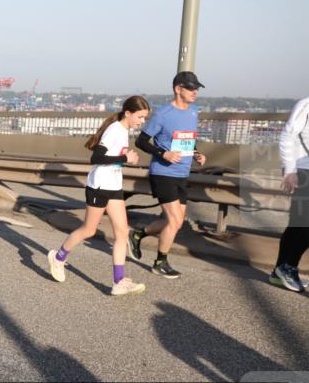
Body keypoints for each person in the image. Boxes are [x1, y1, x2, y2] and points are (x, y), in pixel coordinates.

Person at [48, 97, 151, 295]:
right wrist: (125, 158)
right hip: (99, 186)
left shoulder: (123, 130)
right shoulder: (114, 130)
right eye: (140, 117)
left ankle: (119, 282)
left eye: (144, 118)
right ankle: (58, 257)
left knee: (122, 233)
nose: (142, 121)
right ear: (128, 113)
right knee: (88, 230)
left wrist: (125, 159)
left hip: (114, 187)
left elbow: (111, 158)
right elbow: (96, 158)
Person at [129, 71, 207, 278]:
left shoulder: (194, 111)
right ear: (178, 89)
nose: (195, 92)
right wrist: (164, 153)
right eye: (191, 88)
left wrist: (196, 153)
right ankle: (160, 262)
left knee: (177, 222)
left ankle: (138, 233)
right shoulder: (163, 114)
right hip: (162, 172)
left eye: (196, 88)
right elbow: (141, 141)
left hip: (182, 172)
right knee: (173, 221)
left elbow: (188, 139)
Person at [271, 95, 309, 292]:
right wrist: (290, 170)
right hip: (302, 170)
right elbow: (287, 135)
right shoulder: (306, 105)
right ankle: (288, 267)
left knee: (296, 223)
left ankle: (279, 271)